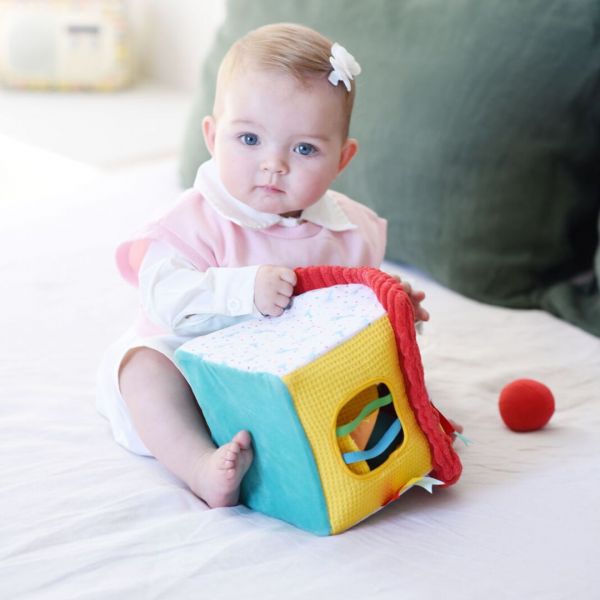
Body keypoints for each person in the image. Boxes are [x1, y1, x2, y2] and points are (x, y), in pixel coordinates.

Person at [96, 22, 430, 509]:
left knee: (369, 373)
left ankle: (403, 432)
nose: (274, 164)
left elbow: (353, 319)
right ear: (212, 137)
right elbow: (166, 303)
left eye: (304, 149)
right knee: (143, 370)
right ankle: (199, 464)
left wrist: (393, 310)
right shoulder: (190, 223)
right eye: (249, 138)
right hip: (195, 376)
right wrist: (244, 290)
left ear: (342, 159)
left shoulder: (349, 231)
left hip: (291, 384)